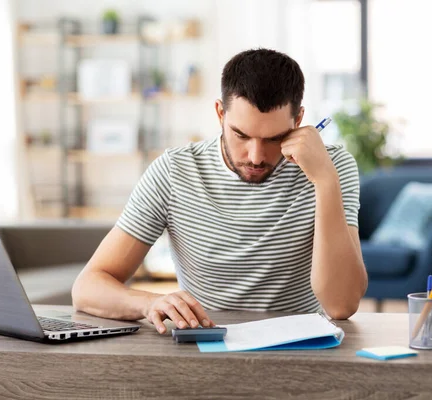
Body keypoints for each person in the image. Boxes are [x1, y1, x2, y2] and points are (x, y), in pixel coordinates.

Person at [72, 48, 367, 334]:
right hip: (207, 346)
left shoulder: (331, 166)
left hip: (302, 349)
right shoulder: (175, 171)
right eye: (241, 135)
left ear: (298, 121)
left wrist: (325, 181)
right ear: (220, 113)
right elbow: (87, 288)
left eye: (274, 138)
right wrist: (149, 303)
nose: (255, 156)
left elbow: (341, 305)